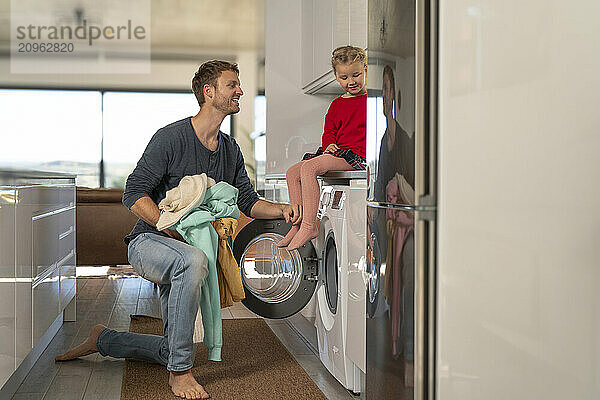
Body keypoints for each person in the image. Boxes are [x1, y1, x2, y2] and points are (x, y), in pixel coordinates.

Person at [55, 60, 297, 400]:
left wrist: (282, 210)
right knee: (194, 261)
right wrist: (168, 227)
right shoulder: (171, 138)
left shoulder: (229, 149)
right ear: (209, 92)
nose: (240, 90)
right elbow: (133, 192)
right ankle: (180, 372)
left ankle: (104, 339)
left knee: (174, 333)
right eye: (233, 85)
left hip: (189, 248)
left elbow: (247, 200)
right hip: (149, 241)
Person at [277, 45, 367, 250]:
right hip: (339, 153)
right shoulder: (336, 104)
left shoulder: (369, 99)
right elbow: (329, 132)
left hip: (356, 156)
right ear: (336, 76)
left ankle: (310, 226)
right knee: (292, 173)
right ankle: (298, 224)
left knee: (309, 168)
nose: (351, 82)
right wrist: (329, 145)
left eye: (356, 75)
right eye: (344, 77)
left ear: (365, 70)